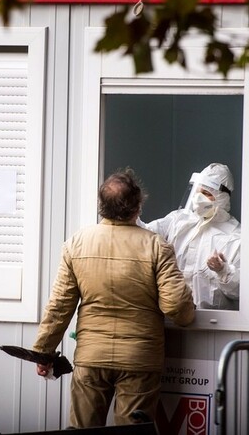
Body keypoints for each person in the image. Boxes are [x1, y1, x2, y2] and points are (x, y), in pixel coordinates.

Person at [32, 168, 195, 428]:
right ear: (137, 206)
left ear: (102, 206)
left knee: (83, 431)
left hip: (91, 357)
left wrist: (43, 352)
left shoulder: (77, 244)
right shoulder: (156, 246)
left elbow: (59, 306)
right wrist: (188, 316)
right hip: (139, 359)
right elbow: (176, 305)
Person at [140, 163, 241, 310]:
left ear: (221, 198)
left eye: (206, 193)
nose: (198, 198)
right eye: (197, 192)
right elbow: (143, 234)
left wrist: (223, 271)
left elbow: (241, 292)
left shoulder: (234, 237)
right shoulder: (179, 220)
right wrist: (131, 212)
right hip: (171, 316)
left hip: (213, 321)